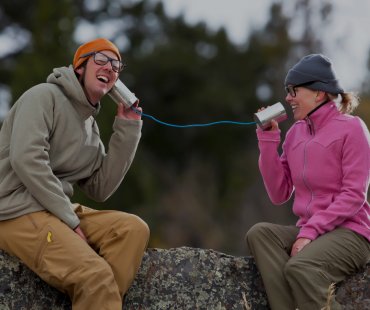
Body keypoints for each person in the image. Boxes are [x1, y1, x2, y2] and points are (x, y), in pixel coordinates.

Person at [0, 38, 150, 310]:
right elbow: (27, 159)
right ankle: (97, 290)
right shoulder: (43, 96)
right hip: (15, 209)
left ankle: (98, 299)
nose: (110, 67)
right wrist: (69, 221)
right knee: (95, 275)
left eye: (116, 65)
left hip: (52, 209)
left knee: (132, 229)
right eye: (101, 59)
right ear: (79, 67)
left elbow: (100, 188)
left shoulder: (89, 126)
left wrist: (128, 130)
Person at [246, 54, 369, 310]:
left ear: (319, 93)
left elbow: (354, 195)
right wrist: (268, 142)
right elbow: (279, 192)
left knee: (301, 267)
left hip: (352, 233)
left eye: (294, 90)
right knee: (260, 234)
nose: (288, 98)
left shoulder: (352, 129)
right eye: (287, 91)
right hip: (310, 230)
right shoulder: (294, 134)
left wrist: (310, 232)